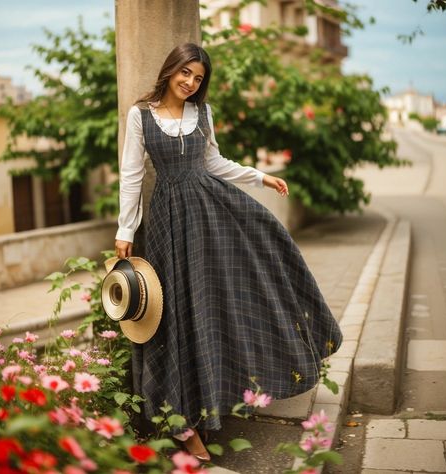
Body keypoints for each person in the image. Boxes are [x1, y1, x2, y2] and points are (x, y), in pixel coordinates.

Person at [115, 42, 342, 461]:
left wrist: (260, 177)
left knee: (218, 300)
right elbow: (131, 176)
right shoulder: (140, 115)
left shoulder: (202, 113)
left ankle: (213, 402)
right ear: (170, 70)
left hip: (210, 216)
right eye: (186, 73)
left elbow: (214, 162)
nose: (191, 82)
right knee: (175, 315)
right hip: (168, 222)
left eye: (198, 78)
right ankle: (183, 424)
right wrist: (125, 228)